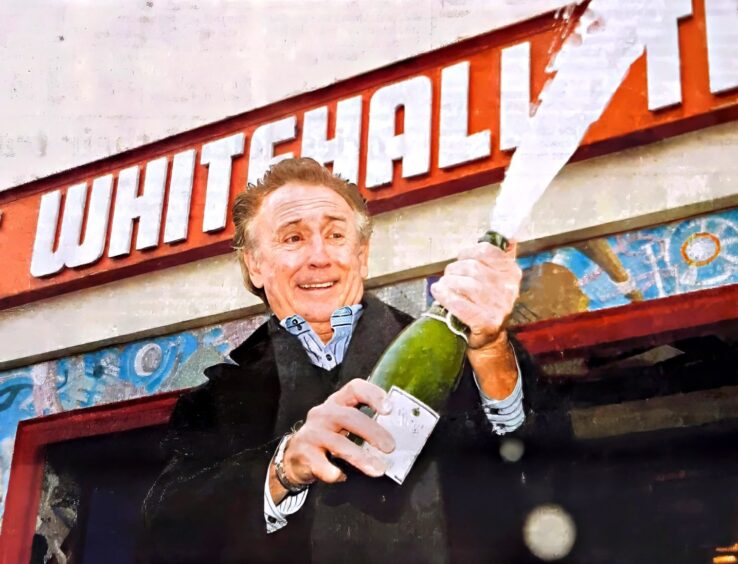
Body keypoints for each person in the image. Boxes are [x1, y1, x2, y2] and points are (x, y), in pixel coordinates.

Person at [141, 157, 528, 563]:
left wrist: (490, 351)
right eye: (293, 238)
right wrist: (282, 468)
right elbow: (163, 532)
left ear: (361, 255)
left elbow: (534, 477)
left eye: (336, 235)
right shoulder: (211, 403)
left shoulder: (460, 355)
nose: (320, 256)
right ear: (255, 265)